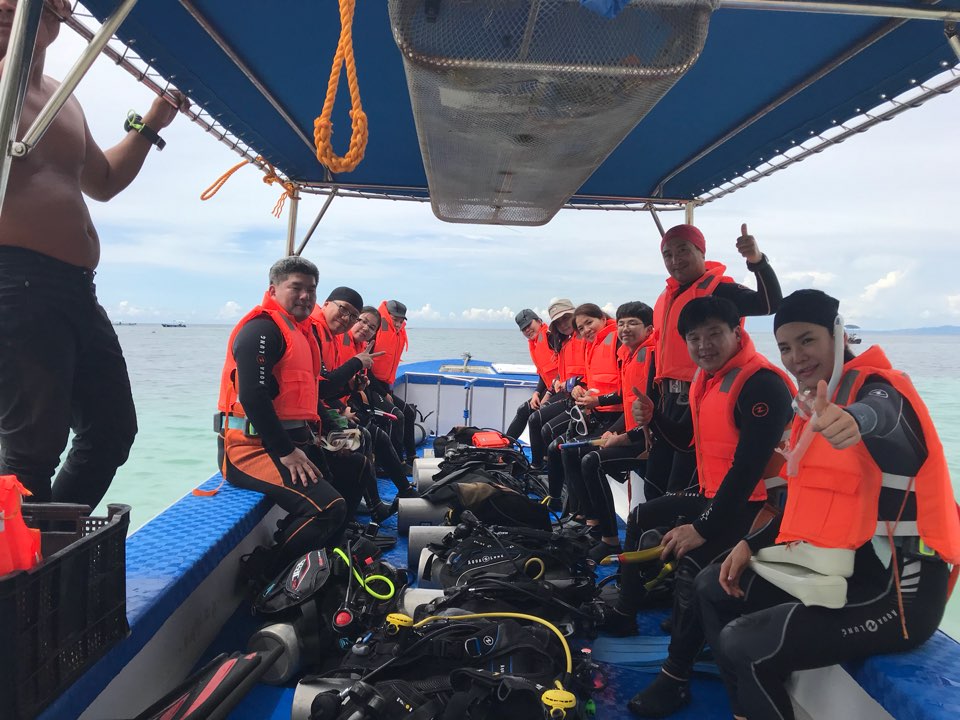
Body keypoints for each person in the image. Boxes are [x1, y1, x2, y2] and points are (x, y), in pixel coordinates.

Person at [692, 289, 960, 720]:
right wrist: (752, 543)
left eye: (807, 340)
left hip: (900, 596)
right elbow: (804, 503)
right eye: (784, 347)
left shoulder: (879, 391)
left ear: (837, 335)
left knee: (744, 643)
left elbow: (881, 413)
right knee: (711, 585)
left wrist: (854, 419)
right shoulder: (814, 405)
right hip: (839, 573)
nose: (796, 357)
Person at [0, 0, 185, 507]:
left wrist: (152, 123)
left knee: (111, 431)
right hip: (15, 284)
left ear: (56, 14)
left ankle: (50, 545)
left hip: (78, 290)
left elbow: (102, 181)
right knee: (31, 451)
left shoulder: (63, 98)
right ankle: (21, 578)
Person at [621, 296, 794, 718]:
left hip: (764, 507)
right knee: (645, 515)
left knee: (693, 562)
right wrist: (654, 417)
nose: (703, 345)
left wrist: (702, 526)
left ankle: (675, 676)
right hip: (722, 497)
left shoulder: (761, 384)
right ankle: (628, 611)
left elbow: (749, 467)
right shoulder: (710, 377)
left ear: (738, 332)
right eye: (693, 338)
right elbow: (686, 441)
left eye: (714, 334)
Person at [217, 258, 368, 581]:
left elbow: (311, 393)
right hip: (252, 448)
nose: (304, 296)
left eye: (310, 290)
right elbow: (253, 396)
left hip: (298, 439)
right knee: (329, 507)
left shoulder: (302, 334)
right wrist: (287, 452)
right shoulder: (262, 329)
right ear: (273, 290)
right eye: (295, 288)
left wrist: (326, 434)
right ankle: (266, 573)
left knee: (354, 465)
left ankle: (329, 553)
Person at [650, 223, 783, 495]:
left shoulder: (720, 291)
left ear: (701, 251)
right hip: (667, 400)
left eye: (683, 250)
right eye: (668, 255)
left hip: (698, 396)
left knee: (681, 486)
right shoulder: (666, 298)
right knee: (655, 482)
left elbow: (769, 305)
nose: (675, 260)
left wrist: (757, 262)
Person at [576, 301, 658, 560]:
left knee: (592, 461)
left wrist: (623, 437)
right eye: (621, 323)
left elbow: (655, 412)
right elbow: (629, 405)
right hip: (632, 434)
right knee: (582, 451)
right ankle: (592, 523)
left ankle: (610, 539)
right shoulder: (629, 355)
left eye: (632, 323)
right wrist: (614, 432)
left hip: (651, 442)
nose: (624, 328)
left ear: (649, 328)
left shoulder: (652, 357)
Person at [548, 303, 623, 517]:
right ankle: (576, 511)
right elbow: (590, 379)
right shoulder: (592, 345)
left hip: (616, 417)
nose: (586, 330)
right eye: (581, 328)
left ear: (601, 317)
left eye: (589, 323)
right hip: (597, 414)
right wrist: (579, 388)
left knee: (573, 452)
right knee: (560, 446)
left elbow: (626, 391)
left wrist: (597, 401)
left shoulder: (616, 340)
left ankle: (589, 520)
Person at [527, 298, 585, 471]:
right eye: (558, 322)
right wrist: (550, 389)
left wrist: (552, 391)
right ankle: (541, 464)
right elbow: (559, 374)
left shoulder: (585, 340)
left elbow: (588, 372)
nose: (563, 324)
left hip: (582, 398)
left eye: (566, 318)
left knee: (539, 422)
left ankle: (541, 465)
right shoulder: (565, 342)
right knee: (532, 415)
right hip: (567, 394)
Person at [369, 300, 417, 467]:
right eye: (394, 319)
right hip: (369, 386)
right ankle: (397, 464)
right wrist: (383, 394)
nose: (397, 324)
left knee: (409, 413)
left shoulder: (397, 333)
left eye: (400, 320)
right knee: (398, 416)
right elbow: (365, 369)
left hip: (383, 386)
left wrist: (386, 391)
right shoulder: (374, 330)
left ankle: (411, 458)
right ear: (386, 316)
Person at [505, 309, 561, 441]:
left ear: (539, 321)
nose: (527, 330)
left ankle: (540, 460)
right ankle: (505, 447)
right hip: (550, 390)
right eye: (524, 329)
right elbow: (544, 373)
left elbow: (564, 370)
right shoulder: (535, 344)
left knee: (537, 417)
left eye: (529, 325)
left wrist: (548, 394)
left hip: (562, 390)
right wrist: (536, 392)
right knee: (524, 409)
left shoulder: (551, 337)